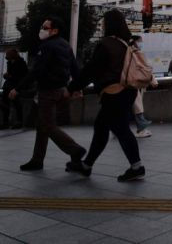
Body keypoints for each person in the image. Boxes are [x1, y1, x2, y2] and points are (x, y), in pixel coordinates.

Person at [67, 10, 145, 181]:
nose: (102, 25)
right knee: (102, 126)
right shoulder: (128, 42)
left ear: (109, 24)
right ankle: (87, 165)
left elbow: (91, 69)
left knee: (120, 128)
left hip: (114, 92)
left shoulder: (108, 44)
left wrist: (73, 86)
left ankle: (136, 166)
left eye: (104, 22)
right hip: (129, 90)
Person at [9, 17, 86, 171]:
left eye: (45, 27)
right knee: (42, 125)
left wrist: (17, 88)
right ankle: (37, 160)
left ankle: (75, 149)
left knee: (48, 125)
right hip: (61, 91)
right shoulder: (65, 45)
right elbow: (74, 68)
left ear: (54, 30)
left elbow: (37, 71)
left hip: (48, 91)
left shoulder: (47, 46)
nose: (41, 29)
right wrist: (77, 87)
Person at [129, 36, 156, 138]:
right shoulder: (135, 53)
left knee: (130, 108)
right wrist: (153, 79)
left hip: (131, 83)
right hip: (133, 83)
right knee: (137, 107)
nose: (141, 43)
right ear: (135, 42)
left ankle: (141, 128)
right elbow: (144, 68)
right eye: (140, 41)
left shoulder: (131, 52)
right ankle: (141, 128)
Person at [2, 48, 28, 129]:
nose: (6, 57)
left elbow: (21, 75)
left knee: (17, 104)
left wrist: (9, 76)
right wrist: (7, 75)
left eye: (7, 55)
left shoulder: (21, 63)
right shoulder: (9, 62)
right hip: (8, 86)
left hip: (16, 86)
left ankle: (19, 122)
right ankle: (5, 122)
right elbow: (10, 74)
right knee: (5, 103)